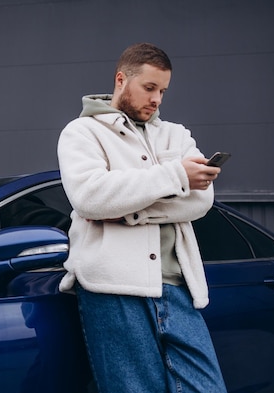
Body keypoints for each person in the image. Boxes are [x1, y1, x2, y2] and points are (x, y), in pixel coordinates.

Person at [57, 43, 227, 393]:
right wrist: (175, 177)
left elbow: (200, 200)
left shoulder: (176, 135)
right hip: (112, 289)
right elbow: (91, 197)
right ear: (122, 80)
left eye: (163, 91)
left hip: (178, 288)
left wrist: (126, 212)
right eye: (149, 88)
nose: (157, 99)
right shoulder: (81, 133)